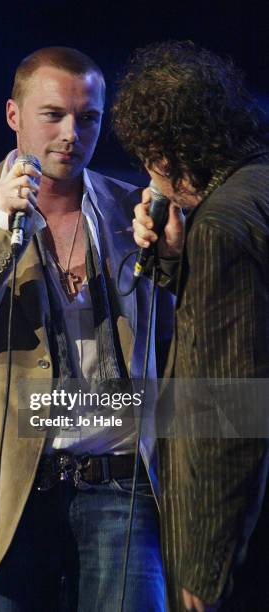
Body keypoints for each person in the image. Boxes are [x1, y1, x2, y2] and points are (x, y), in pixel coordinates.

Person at [0, 47, 174, 611]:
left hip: (122, 484)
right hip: (12, 486)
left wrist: (174, 256)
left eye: (88, 118)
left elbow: (180, 342)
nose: (71, 133)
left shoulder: (135, 210)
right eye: (52, 115)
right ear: (14, 115)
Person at [113, 40, 269, 611]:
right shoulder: (255, 190)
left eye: (147, 158)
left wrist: (206, 566)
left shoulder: (223, 223)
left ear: (169, 151)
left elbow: (234, 409)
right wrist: (178, 261)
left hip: (237, 543)